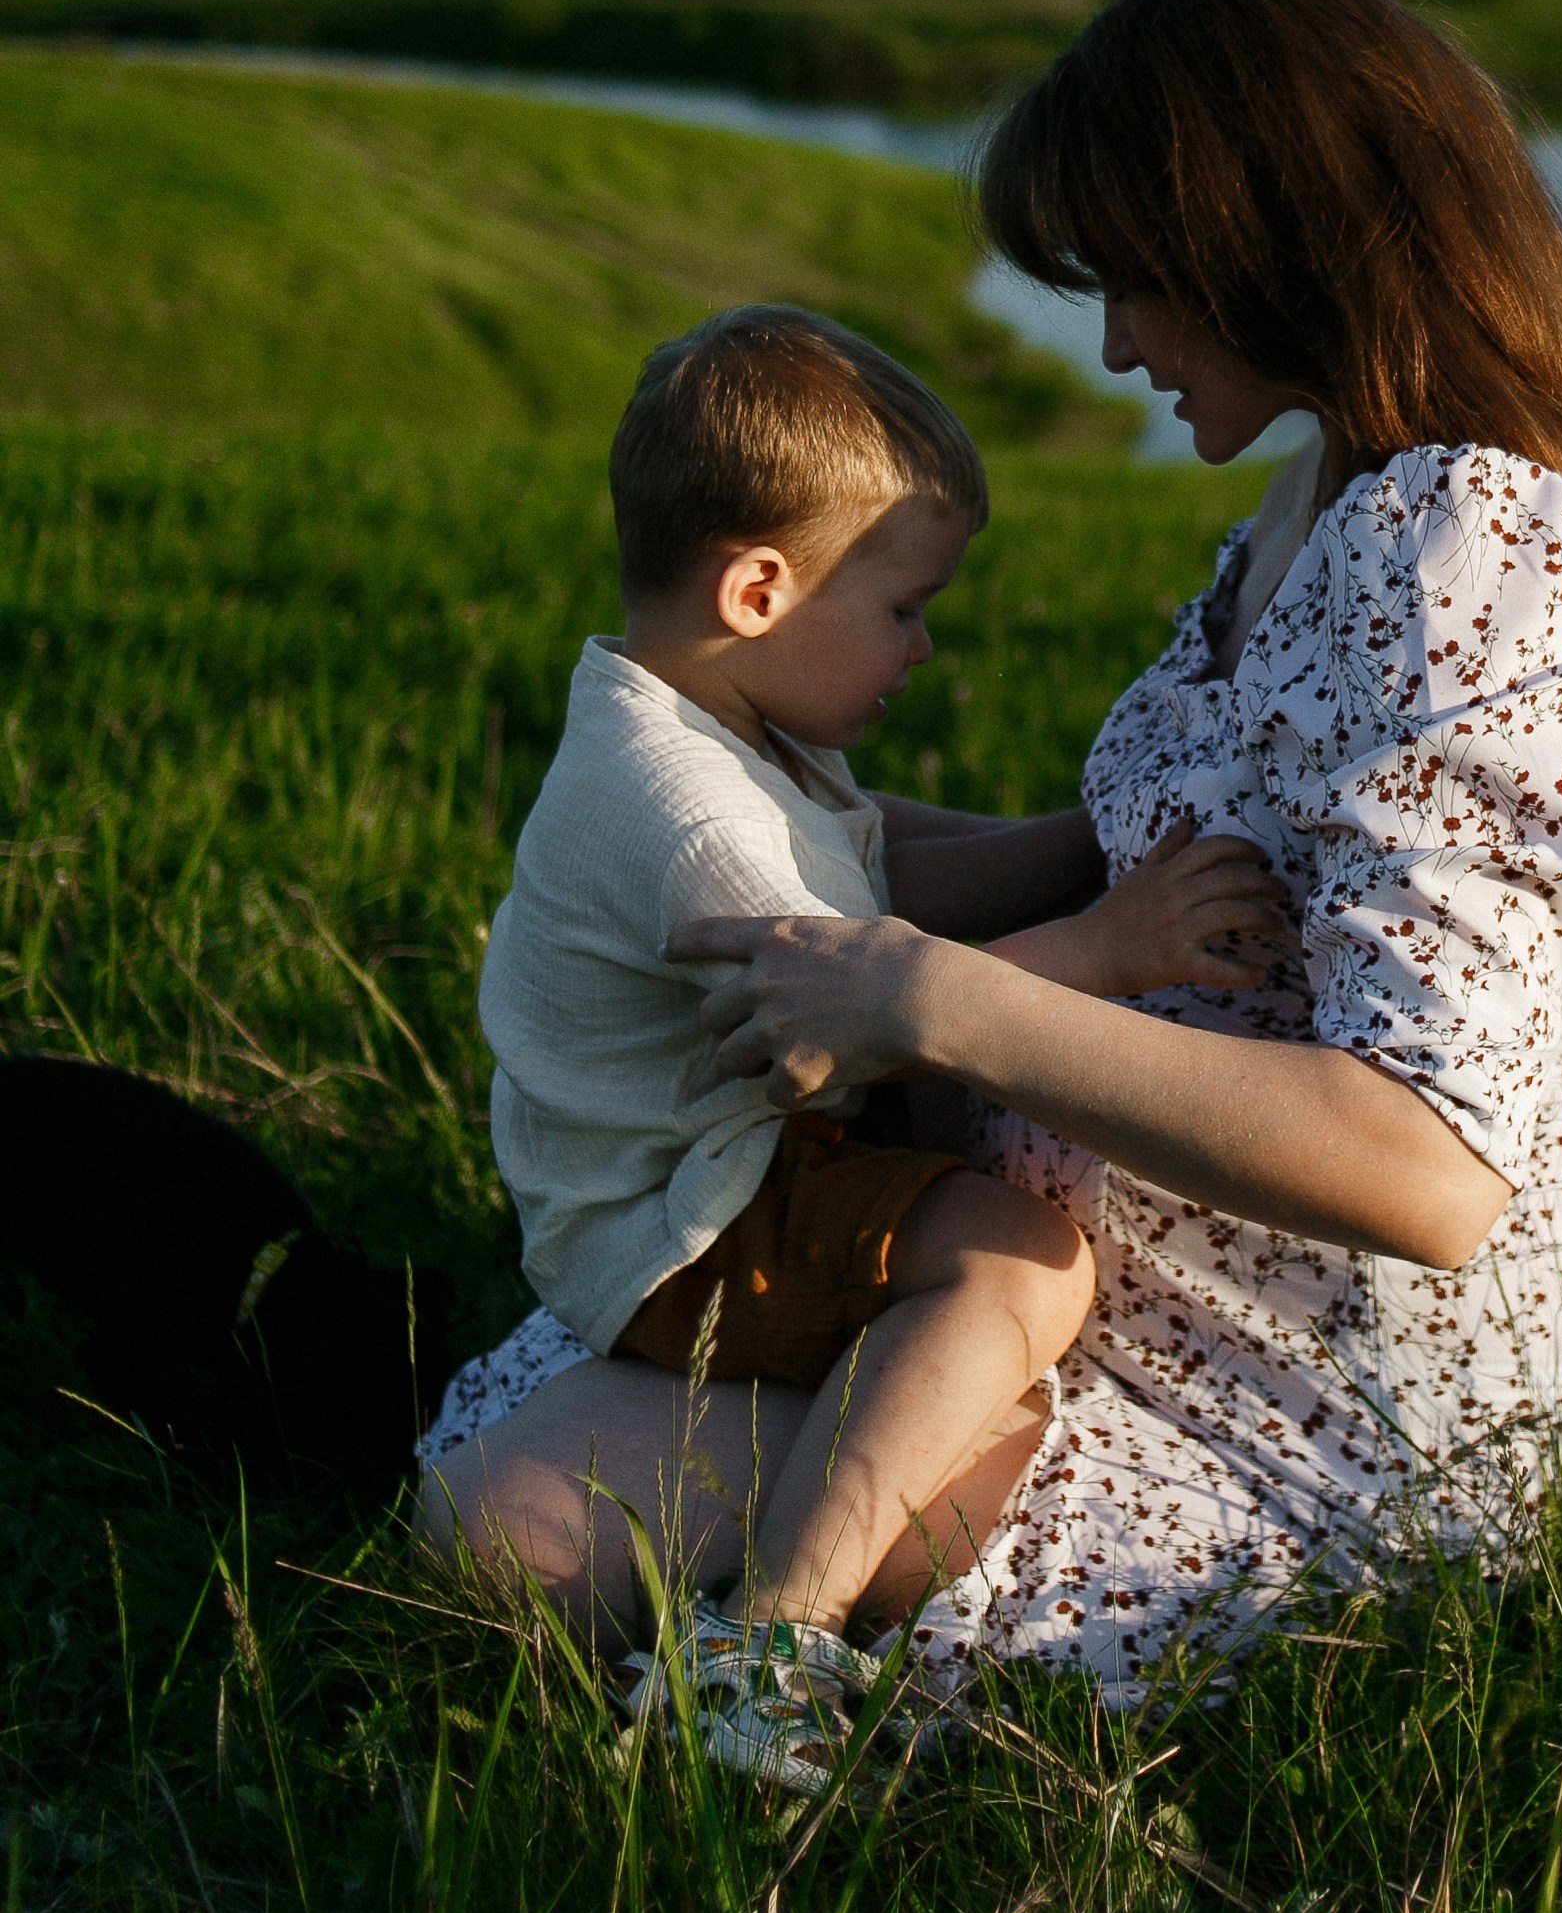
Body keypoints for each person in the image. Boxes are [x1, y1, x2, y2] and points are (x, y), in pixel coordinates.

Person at [418, 0, 1562, 1719]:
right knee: (492, 1502)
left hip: (1301, 1406)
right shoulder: (1315, 499)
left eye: (1141, 280)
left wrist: (930, 1004)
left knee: (517, 1531)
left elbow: (1425, 1168)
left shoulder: (1479, 554)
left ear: (1280, 233)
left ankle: (779, 1652)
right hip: (1050, 1281)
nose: (1114, 342)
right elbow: (1117, 853)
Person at [469, 303, 1285, 1781]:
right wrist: (1103, 947)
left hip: (709, 1166)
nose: (924, 643)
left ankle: (829, 1471)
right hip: (679, 1223)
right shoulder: (686, 810)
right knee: (1014, 1260)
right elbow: (840, 1030)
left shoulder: (707, 717)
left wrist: (1077, 851)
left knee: (982, 1264)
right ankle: (769, 1640)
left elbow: (874, 887)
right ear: (763, 587)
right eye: (905, 604)